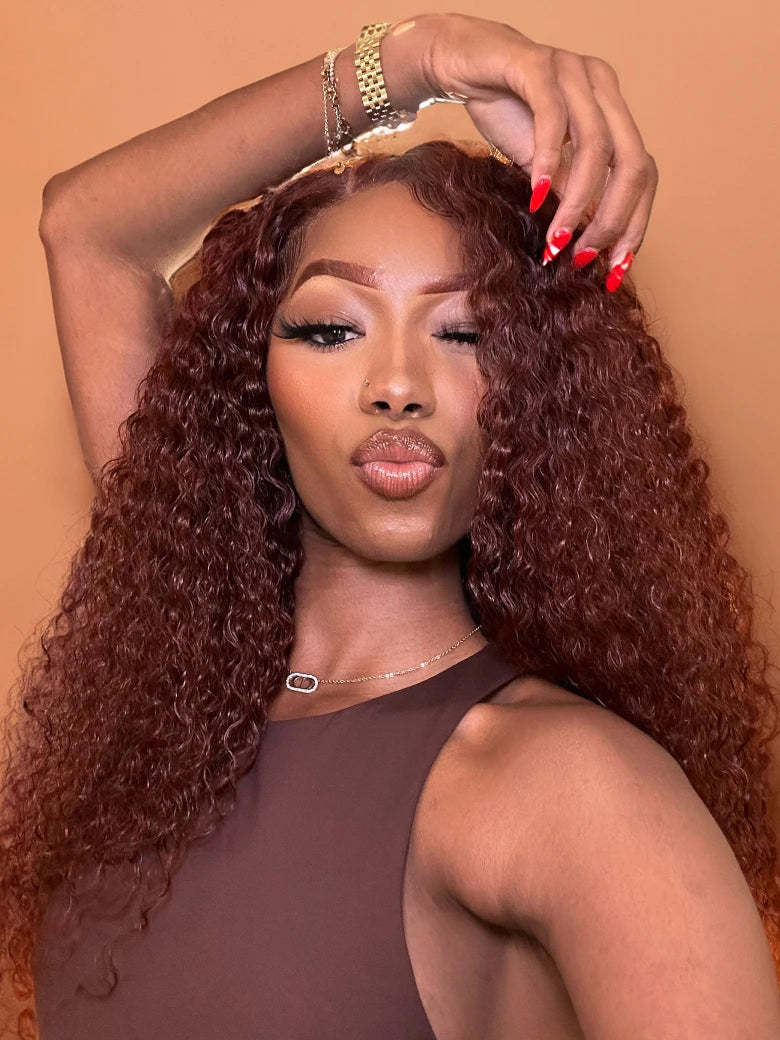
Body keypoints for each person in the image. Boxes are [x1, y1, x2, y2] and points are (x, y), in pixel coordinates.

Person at [2, 11, 779, 1038]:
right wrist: (418, 61)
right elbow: (86, 226)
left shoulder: (570, 782)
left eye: (467, 333)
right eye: (332, 328)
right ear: (250, 384)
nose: (399, 384)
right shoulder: (175, 698)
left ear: (536, 394)